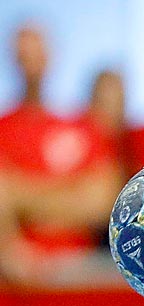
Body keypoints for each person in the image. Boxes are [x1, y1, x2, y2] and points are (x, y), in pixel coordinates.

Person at [0, 24, 120, 281]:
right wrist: (67, 191)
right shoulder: (4, 127)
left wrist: (22, 197)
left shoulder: (81, 126)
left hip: (83, 271)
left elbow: (101, 201)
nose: (31, 66)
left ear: (50, 56)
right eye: (24, 57)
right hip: (20, 274)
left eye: (37, 55)